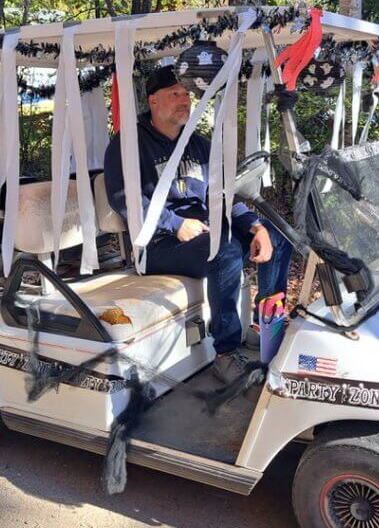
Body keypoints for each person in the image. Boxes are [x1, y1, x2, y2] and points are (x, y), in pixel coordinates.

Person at [103, 66, 293, 384]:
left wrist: (254, 226)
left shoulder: (198, 144)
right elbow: (124, 200)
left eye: (187, 94)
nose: (184, 100)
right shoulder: (127, 146)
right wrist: (174, 223)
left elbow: (222, 193)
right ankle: (226, 353)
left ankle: (266, 326)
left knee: (278, 235)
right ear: (153, 100)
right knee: (224, 250)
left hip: (202, 235)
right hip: (156, 244)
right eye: (175, 93)